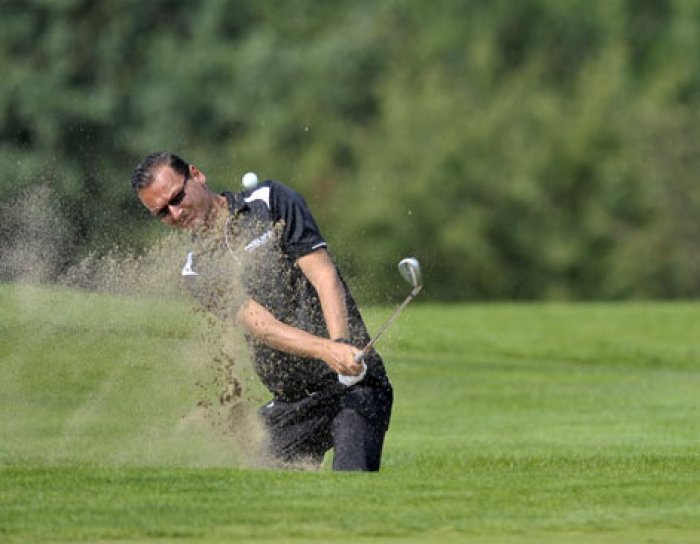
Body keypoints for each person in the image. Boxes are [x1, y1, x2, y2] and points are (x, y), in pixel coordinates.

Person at [130, 151, 393, 471]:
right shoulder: (197, 270)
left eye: (177, 197)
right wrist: (327, 350)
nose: (176, 212)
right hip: (295, 403)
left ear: (196, 176)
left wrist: (339, 344)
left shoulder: (270, 202)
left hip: (354, 384)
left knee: (350, 488)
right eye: (162, 213)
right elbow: (262, 326)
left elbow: (323, 275)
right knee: (261, 494)